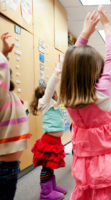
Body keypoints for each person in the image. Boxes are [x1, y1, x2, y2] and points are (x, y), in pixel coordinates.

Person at [59, 7, 111, 200]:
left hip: (86, 164)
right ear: (97, 70)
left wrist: (85, 33)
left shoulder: (68, 95)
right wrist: (107, 25)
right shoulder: (102, 91)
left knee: (90, 191)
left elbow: (71, 64)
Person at [0, 32, 31, 200]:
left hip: (9, 166)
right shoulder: (2, 96)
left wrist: (5, 55)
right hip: (4, 167)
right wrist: (2, 54)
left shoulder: (9, 97)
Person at [30, 67, 67, 200]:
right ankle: (45, 193)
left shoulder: (52, 104)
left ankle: (52, 187)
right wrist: (55, 75)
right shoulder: (44, 103)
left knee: (50, 166)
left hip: (54, 141)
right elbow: (50, 89)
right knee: (46, 167)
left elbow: (59, 101)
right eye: (52, 93)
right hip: (48, 141)